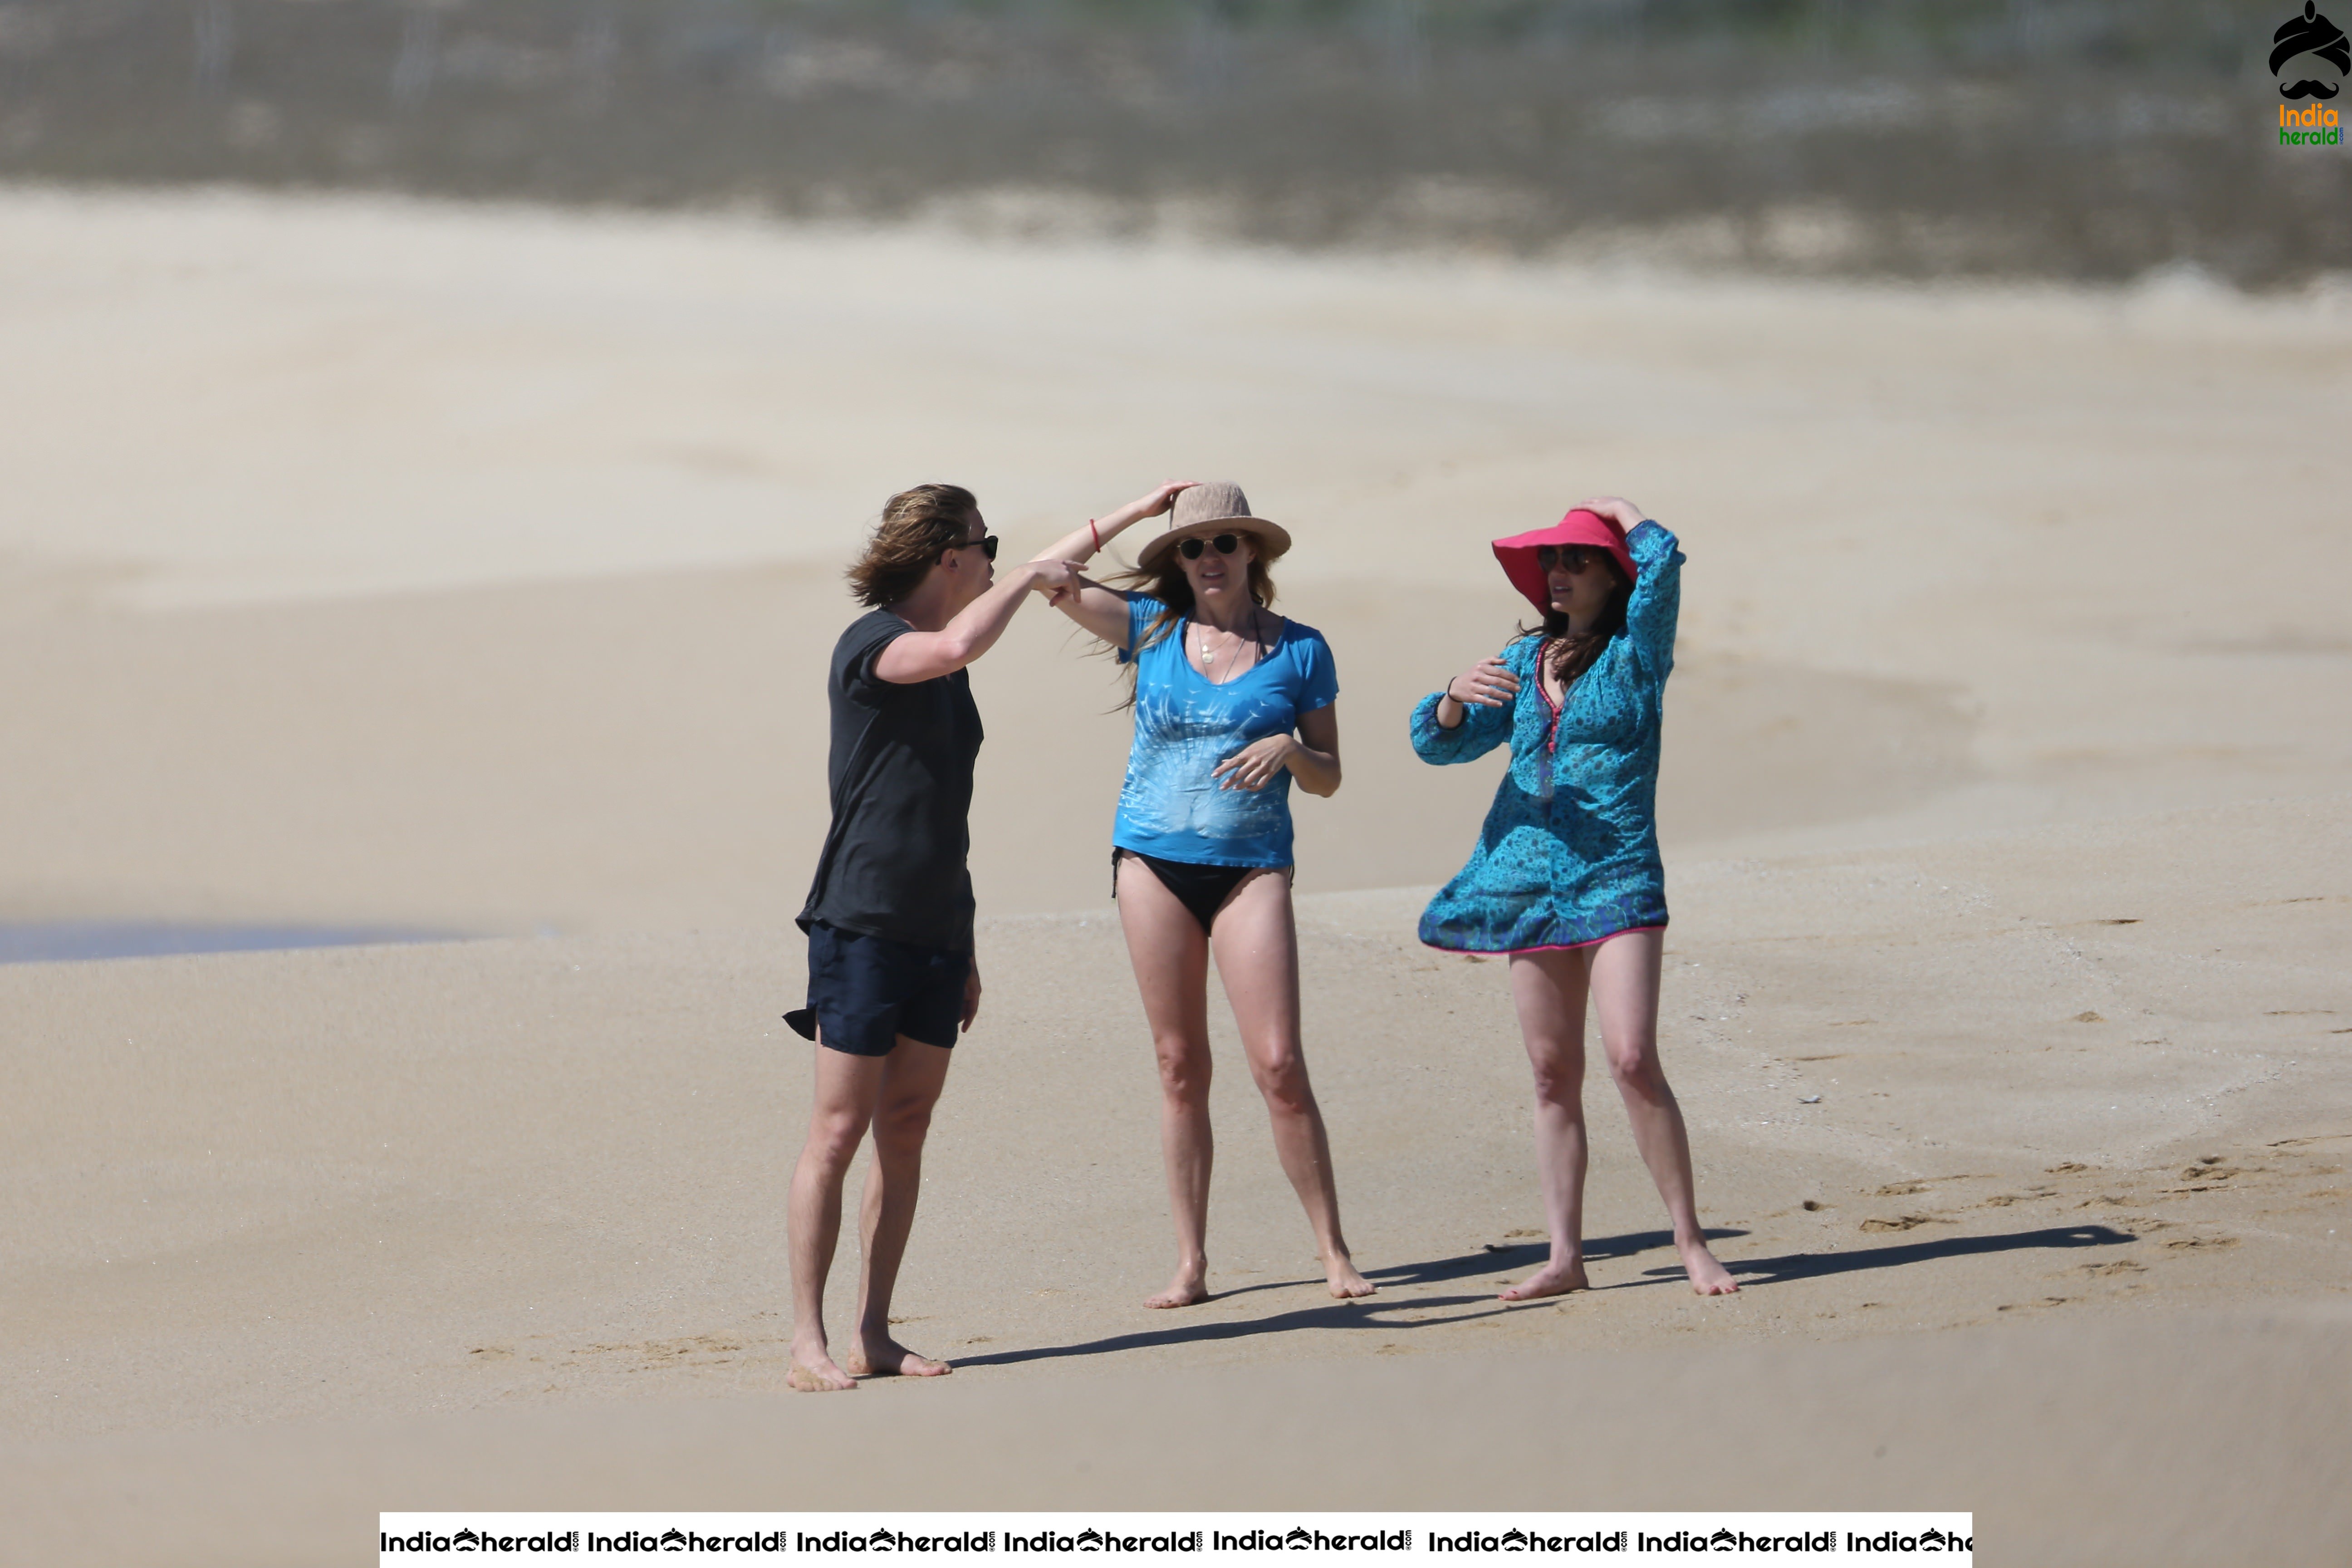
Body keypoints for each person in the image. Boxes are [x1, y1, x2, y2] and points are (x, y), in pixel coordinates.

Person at [1028, 480, 1375, 1308]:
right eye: (1191, 547)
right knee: (1179, 1064)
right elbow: (1046, 572)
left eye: (1223, 543)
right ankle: (1191, 1262)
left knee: (1279, 1064)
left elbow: (1328, 779)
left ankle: (1334, 1251)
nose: (1208, 559)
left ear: (1254, 552)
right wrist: (1141, 511)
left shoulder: (1303, 650)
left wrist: (1291, 749)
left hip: (1252, 868)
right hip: (1150, 861)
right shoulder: (1151, 629)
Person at [783, 483, 1080, 1392]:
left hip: (937, 927)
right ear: (950, 555)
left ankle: (874, 1331)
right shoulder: (875, 644)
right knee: (838, 1132)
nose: (993, 556)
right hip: (860, 921)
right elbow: (954, 641)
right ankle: (808, 1341)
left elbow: (943, 817)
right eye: (986, 544)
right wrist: (1029, 579)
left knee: (905, 1130)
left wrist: (970, 940)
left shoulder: (951, 671)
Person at [1411, 495, 1738, 1299]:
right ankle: (1565, 1258)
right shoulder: (1522, 664)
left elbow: (1664, 566)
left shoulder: (1636, 654)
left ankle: (1691, 1239)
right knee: (1553, 1073)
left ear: (1611, 574)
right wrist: (1451, 697)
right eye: (1550, 562)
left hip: (1619, 873)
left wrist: (1622, 513)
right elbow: (1439, 745)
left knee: (1631, 1058)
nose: (1557, 574)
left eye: (1577, 560)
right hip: (1526, 881)